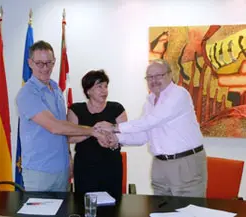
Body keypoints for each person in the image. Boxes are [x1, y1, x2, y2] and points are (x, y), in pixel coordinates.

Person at [96, 59, 207, 197]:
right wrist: (116, 139)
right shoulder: (149, 101)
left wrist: (114, 127)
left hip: (184, 162)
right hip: (160, 164)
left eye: (158, 75)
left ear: (170, 75)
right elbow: (143, 134)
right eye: (149, 77)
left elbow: (150, 121)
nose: (153, 80)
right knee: (161, 209)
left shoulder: (179, 94)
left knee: (188, 209)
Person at [16, 40, 108, 192]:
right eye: (39, 63)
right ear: (30, 63)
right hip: (40, 173)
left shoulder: (56, 88)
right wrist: (92, 131)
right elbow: (55, 127)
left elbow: (64, 129)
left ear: (54, 62)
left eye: (49, 63)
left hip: (62, 170)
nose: (45, 68)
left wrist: (69, 158)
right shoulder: (27, 93)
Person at [67, 69, 127, 199]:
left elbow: (125, 136)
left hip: (111, 165)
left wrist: (111, 139)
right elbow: (70, 137)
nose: (104, 90)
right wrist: (93, 132)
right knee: (83, 205)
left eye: (106, 86)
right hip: (85, 166)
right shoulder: (76, 109)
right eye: (99, 86)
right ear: (88, 90)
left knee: (112, 205)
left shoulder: (116, 108)